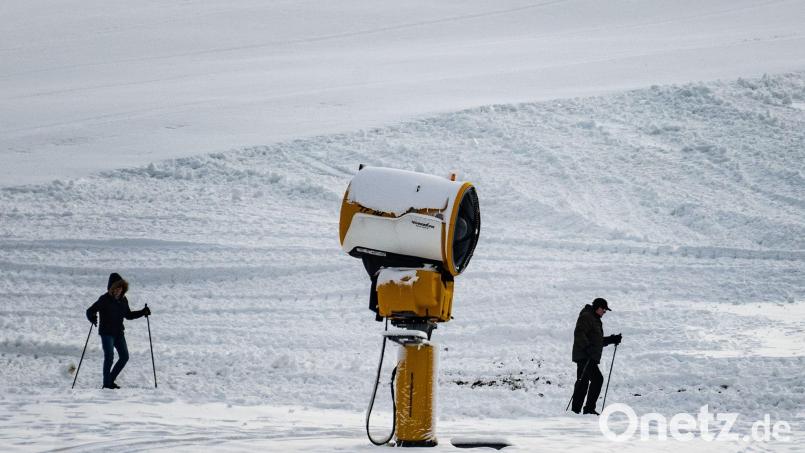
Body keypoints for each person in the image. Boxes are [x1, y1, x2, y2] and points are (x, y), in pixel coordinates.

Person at [86, 273, 150, 389]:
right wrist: (92, 317)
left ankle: (110, 380)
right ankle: (107, 384)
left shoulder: (123, 300)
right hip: (106, 333)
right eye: (116, 288)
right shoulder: (104, 299)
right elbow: (90, 310)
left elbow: (128, 315)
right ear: (111, 288)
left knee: (124, 357)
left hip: (119, 333)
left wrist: (142, 312)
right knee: (109, 357)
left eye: (120, 288)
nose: (118, 290)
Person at [571, 297, 621, 415]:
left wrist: (612, 339)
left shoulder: (594, 319)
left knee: (583, 382)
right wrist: (587, 347)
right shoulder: (587, 317)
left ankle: (575, 411)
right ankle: (588, 409)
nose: (604, 312)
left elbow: (596, 341)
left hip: (587, 355)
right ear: (598, 308)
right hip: (585, 356)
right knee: (597, 379)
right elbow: (579, 333)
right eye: (604, 310)